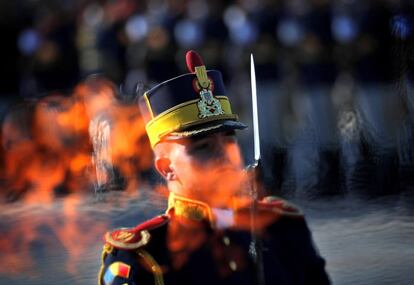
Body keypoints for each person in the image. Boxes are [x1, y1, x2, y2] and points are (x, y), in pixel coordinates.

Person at [98, 50, 330, 285]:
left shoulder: (279, 225)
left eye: (229, 140)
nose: (225, 155)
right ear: (166, 167)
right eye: (203, 147)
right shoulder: (141, 256)